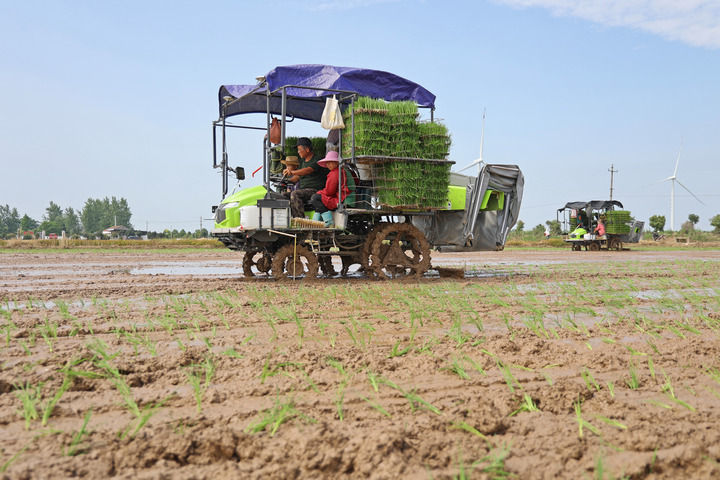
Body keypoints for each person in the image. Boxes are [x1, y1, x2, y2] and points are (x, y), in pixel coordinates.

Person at [282, 138, 327, 218]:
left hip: (315, 190)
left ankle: (299, 220)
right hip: (304, 190)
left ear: (307, 149)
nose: (298, 152)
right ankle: (287, 219)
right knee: (284, 195)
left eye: (299, 149)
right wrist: (285, 180)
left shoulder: (317, 159)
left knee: (295, 194)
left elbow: (307, 170)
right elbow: (297, 177)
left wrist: (292, 172)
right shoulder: (303, 162)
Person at [310, 151, 349, 227]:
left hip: (338, 198)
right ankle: (315, 222)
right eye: (327, 163)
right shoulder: (339, 171)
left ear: (336, 163)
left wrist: (321, 192)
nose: (328, 165)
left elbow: (329, 192)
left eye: (330, 162)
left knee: (315, 198)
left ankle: (329, 221)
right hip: (339, 195)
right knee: (317, 199)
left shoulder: (335, 173)